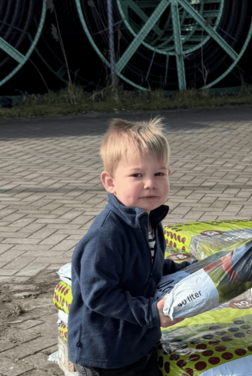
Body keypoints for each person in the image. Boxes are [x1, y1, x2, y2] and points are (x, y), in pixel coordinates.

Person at [68, 117, 188, 375]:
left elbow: (146, 267)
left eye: (159, 173)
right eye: (137, 175)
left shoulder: (149, 219)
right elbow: (99, 294)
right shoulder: (106, 236)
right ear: (110, 182)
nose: (150, 183)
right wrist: (151, 314)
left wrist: (186, 270)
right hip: (105, 352)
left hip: (138, 342)